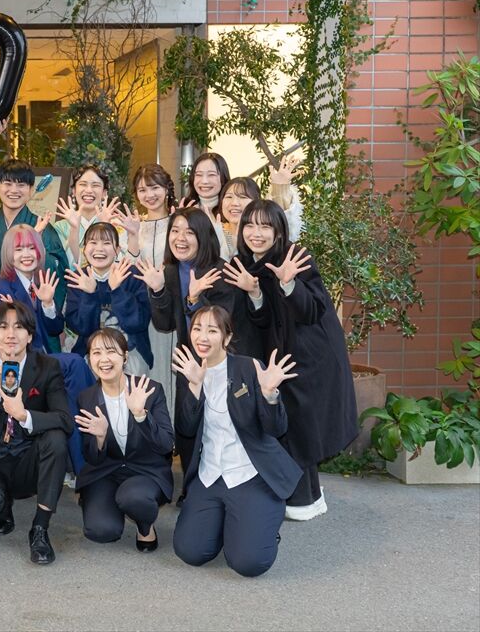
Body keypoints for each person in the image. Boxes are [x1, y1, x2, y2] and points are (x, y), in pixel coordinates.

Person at [224, 198, 356, 520]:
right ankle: (300, 494)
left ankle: (306, 500)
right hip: (278, 355)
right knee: (284, 422)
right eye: (250, 225)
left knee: (301, 424)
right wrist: (254, 292)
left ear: (278, 231)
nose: (256, 233)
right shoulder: (245, 264)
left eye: (265, 226)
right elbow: (261, 320)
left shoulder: (295, 258)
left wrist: (289, 283)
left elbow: (311, 310)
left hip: (309, 356)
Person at [171, 306, 302, 578]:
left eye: (212, 330)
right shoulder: (190, 371)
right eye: (197, 329)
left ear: (227, 337)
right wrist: (194, 386)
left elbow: (276, 428)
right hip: (210, 474)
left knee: (248, 562)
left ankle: (263, 518)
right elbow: (185, 429)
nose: (202, 337)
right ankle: (228, 523)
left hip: (250, 474)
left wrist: (269, 394)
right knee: (190, 551)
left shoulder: (248, 368)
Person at [134, 206, 247, 477]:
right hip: (188, 359)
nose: (180, 238)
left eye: (189, 232)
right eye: (175, 231)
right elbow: (164, 324)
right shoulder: (170, 272)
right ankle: (190, 481)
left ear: (203, 236)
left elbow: (222, 324)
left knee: (219, 422)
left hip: (220, 363)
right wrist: (158, 290)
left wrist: (195, 299)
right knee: (187, 424)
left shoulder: (219, 271)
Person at [0, 302, 72, 565]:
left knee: (56, 439)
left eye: (19, 327)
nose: (11, 334)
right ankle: (2, 504)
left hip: (27, 458)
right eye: (3, 327)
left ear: (30, 336)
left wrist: (24, 416)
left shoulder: (47, 367)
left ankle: (40, 528)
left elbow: (65, 420)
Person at [73, 328, 173, 552]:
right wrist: (99, 438)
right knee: (101, 531)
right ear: (89, 359)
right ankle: (105, 503)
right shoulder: (86, 398)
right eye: (96, 353)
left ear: (125, 357)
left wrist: (140, 415)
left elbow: (166, 444)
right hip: (106, 472)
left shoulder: (149, 390)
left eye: (111, 351)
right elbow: (91, 457)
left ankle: (145, 527)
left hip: (144, 471)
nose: (104, 359)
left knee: (133, 498)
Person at [117, 164, 178, 409]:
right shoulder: (132, 226)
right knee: (144, 374)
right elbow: (127, 271)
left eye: (154, 188)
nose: (149, 195)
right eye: (142, 190)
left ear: (166, 189)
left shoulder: (178, 223)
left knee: (173, 370)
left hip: (171, 310)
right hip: (141, 314)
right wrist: (133, 236)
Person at [0, 159, 68, 307]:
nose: (14, 190)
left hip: (29, 304)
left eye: (21, 185)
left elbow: (58, 271)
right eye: (8, 183)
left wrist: (36, 244)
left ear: (31, 190)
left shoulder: (43, 227)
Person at [63, 222, 152, 374]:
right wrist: (89, 294)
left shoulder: (131, 274)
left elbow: (138, 323)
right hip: (90, 353)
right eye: (93, 242)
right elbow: (81, 328)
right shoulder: (79, 277)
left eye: (106, 243)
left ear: (117, 250)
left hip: (130, 352)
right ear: (84, 249)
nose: (99, 249)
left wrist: (117, 290)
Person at [0, 224, 64, 353]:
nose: (26, 255)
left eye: (32, 248)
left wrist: (48, 304)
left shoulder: (42, 281)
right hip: (19, 357)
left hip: (47, 355)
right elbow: (2, 337)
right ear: (8, 253)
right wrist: (15, 314)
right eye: (19, 249)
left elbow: (56, 329)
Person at [217, 155, 304, 258]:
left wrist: (280, 189)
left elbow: (280, 221)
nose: (234, 203)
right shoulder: (213, 232)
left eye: (243, 197)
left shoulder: (265, 236)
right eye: (228, 197)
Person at [52, 165, 125, 267]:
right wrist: (74, 230)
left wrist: (106, 227)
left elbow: (122, 262)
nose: (89, 190)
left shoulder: (117, 225)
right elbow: (60, 263)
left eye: (95, 185)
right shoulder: (60, 227)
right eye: (83, 184)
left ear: (104, 193)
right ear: (74, 191)